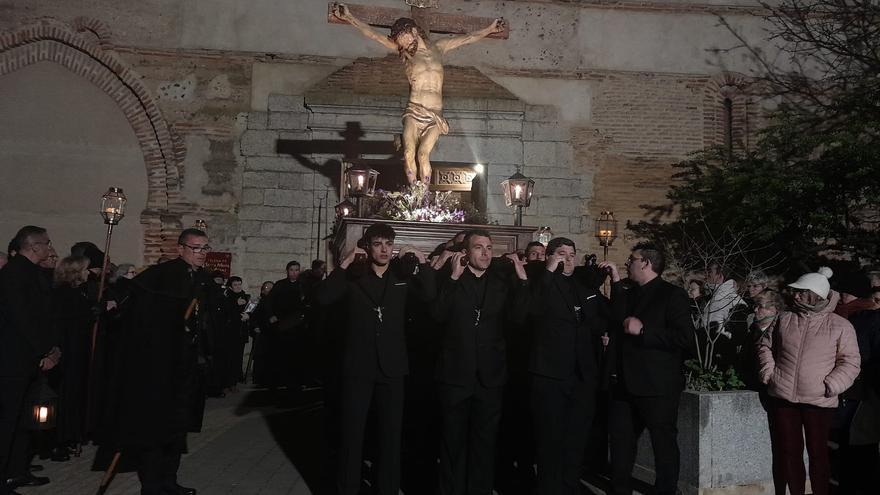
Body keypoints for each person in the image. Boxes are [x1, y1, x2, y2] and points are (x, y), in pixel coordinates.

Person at [315, 223, 435, 495]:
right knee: (352, 434)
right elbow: (323, 298)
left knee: (391, 436)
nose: (384, 249)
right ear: (367, 247)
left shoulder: (401, 276)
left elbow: (430, 294)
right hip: (358, 367)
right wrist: (345, 263)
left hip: (393, 368)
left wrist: (422, 259)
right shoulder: (354, 277)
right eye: (378, 243)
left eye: (388, 244)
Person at [331, 3, 505, 183]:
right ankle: (414, 194)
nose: (402, 44)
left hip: (434, 114)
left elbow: (468, 38)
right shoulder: (406, 54)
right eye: (399, 41)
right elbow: (374, 35)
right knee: (408, 153)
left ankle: (424, 196)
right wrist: (349, 17)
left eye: (403, 38)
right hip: (414, 110)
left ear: (413, 31)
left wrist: (490, 29)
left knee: (423, 155)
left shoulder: (439, 47)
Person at [111, 228, 212, 495]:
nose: (201, 254)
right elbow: (139, 307)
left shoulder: (199, 278)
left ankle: (169, 481)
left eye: (205, 248)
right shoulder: (162, 274)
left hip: (184, 365)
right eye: (196, 248)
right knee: (157, 428)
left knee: (177, 429)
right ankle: (153, 485)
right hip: (160, 366)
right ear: (180, 249)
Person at [432, 229, 530, 495]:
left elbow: (518, 319)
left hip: (490, 377)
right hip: (455, 375)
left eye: (489, 247)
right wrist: (452, 278)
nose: (486, 253)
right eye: (479, 247)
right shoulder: (449, 280)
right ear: (465, 252)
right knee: (452, 444)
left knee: (485, 444)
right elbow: (438, 315)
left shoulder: (501, 283)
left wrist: (522, 280)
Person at [599, 243, 694, 495]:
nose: (628, 262)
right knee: (620, 445)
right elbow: (615, 317)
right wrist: (614, 281)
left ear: (646, 263)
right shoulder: (629, 294)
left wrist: (644, 332)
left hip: (656, 386)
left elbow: (685, 339)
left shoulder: (672, 295)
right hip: (623, 384)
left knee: (663, 445)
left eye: (632, 259)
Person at [757, 267, 860, 495]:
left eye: (802, 292)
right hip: (784, 397)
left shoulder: (840, 325)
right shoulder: (784, 319)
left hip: (819, 400)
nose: (796, 296)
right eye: (796, 291)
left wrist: (830, 385)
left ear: (816, 295)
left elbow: (850, 362)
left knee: (818, 455)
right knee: (789, 453)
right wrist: (769, 373)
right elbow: (765, 346)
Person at [529, 237, 610, 495]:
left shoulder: (582, 285)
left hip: (582, 375)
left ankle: (570, 486)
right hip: (551, 374)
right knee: (550, 438)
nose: (568, 258)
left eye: (572, 253)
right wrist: (550, 269)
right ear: (550, 256)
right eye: (562, 253)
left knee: (576, 438)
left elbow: (603, 316)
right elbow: (532, 310)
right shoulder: (540, 282)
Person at [0, 226, 59, 494]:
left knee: (25, 420)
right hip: (13, 360)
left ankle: (17, 470)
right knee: (7, 421)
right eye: (46, 243)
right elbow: (21, 318)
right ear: (33, 246)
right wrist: (44, 350)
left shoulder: (33, 273)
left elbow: (43, 316)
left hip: (29, 359)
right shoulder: (13, 274)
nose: (50, 248)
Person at [48, 255, 94, 460]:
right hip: (68, 353)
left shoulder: (78, 293)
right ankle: (61, 439)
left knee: (75, 394)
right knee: (66, 396)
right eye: (84, 269)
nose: (88, 273)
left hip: (77, 351)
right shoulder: (65, 294)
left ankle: (72, 435)